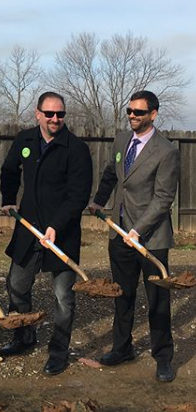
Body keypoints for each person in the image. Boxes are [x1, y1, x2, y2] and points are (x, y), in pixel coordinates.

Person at [0, 91, 93, 375]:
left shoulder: (76, 148)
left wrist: (56, 226)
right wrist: (8, 198)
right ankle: (24, 335)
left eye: (60, 114)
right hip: (28, 229)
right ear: (37, 114)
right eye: (49, 113)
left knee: (63, 296)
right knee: (17, 285)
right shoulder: (25, 140)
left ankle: (59, 351)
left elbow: (78, 195)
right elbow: (9, 170)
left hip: (62, 233)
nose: (55, 119)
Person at [89, 90, 180, 383]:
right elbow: (111, 174)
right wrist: (99, 201)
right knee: (122, 294)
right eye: (129, 111)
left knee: (157, 299)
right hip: (119, 233)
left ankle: (163, 357)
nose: (132, 116)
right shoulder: (121, 141)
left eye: (138, 112)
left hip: (150, 238)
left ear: (153, 114)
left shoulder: (166, 151)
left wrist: (138, 229)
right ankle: (122, 349)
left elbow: (164, 198)